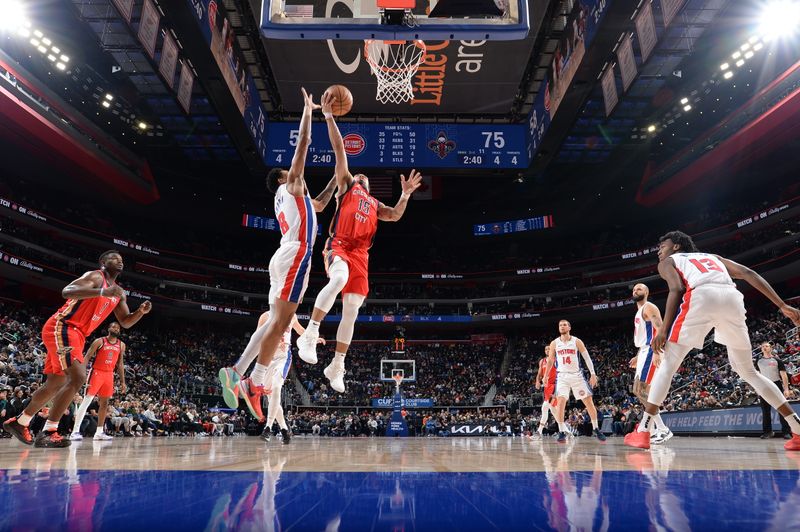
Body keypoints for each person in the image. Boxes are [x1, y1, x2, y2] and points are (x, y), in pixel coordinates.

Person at [217, 88, 337, 420]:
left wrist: (338, 180)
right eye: (290, 169)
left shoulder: (292, 198)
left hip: (284, 256)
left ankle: (237, 370)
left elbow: (322, 203)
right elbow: (302, 147)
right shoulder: (291, 184)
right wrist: (309, 112)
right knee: (282, 321)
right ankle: (253, 382)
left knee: (274, 320)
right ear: (284, 177)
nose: (294, 168)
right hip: (296, 254)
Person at [624, 231, 800, 450]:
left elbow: (677, 288)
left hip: (702, 296)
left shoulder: (670, 261)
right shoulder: (713, 257)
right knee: (748, 372)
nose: (659, 249)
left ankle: (643, 432)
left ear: (677, 246)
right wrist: (781, 305)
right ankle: (797, 429)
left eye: (663, 245)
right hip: (731, 297)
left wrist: (663, 330)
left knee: (668, 364)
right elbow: (748, 272)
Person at [296, 90, 423, 393]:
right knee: (338, 277)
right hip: (339, 245)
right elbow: (340, 150)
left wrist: (405, 195)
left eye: (365, 177)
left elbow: (394, 215)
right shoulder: (346, 186)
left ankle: (337, 364)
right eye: (360, 175)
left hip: (362, 255)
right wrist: (327, 116)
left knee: (352, 307)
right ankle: (310, 333)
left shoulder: (376, 203)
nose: (362, 177)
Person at [3, 250, 151, 448]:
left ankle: (20, 422)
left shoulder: (119, 292)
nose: (119, 261)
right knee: (78, 377)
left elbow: (125, 322)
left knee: (55, 382)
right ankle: (49, 430)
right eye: (114, 258)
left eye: (121, 259)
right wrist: (101, 292)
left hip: (79, 335)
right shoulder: (95, 277)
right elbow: (67, 291)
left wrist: (140, 313)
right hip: (63, 326)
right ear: (103, 263)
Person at [544, 320, 607, 442]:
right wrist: (546, 375)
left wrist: (593, 374)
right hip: (562, 376)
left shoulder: (576, 341)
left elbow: (587, 358)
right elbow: (550, 360)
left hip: (577, 376)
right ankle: (562, 430)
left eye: (564, 325)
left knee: (588, 402)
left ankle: (596, 428)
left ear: (569, 327)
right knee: (561, 402)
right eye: (560, 325)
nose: (562, 326)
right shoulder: (554, 343)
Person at [628, 283, 672, 444]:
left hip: (652, 350)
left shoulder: (649, 307)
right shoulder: (640, 311)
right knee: (641, 392)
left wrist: (655, 351)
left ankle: (662, 429)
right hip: (645, 351)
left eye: (639, 289)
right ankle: (654, 429)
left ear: (646, 292)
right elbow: (647, 336)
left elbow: (660, 328)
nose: (635, 291)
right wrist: (638, 356)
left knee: (641, 389)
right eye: (634, 289)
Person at [70, 321, 126, 441]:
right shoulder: (99, 341)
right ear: (108, 328)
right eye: (113, 326)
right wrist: (82, 373)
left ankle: (99, 432)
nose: (116, 329)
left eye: (118, 328)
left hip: (109, 375)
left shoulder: (121, 345)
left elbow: (120, 364)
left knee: (104, 404)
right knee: (86, 401)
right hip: (96, 372)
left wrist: (123, 382)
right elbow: (88, 356)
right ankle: (75, 431)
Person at [755, 341, 794, 439]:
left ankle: (786, 432)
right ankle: (767, 432)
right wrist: (757, 388)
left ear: (771, 348)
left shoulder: (777, 360)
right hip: (764, 387)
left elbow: (784, 375)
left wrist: (786, 389)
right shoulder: (758, 361)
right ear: (761, 349)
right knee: (765, 411)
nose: (765, 347)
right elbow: (756, 376)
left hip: (776, 385)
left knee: (782, 410)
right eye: (763, 346)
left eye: (767, 346)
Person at [534, 345, 557, 438]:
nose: (547, 350)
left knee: (545, 407)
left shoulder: (557, 359)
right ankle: (566, 430)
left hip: (554, 386)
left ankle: (539, 432)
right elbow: (539, 374)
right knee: (553, 410)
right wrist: (537, 381)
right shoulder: (542, 361)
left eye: (549, 349)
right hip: (546, 387)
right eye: (546, 349)